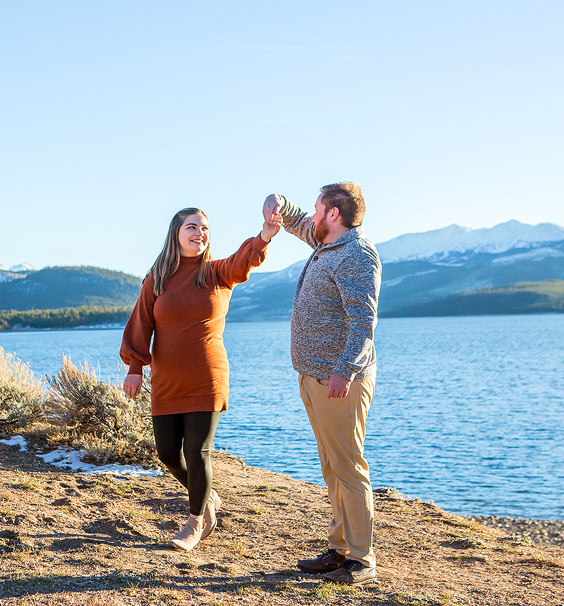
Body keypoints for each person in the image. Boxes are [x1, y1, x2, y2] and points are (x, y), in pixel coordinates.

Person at [120, 205, 282, 551]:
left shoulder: (215, 273)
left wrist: (265, 234)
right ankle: (206, 497)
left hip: (207, 378)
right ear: (176, 234)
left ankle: (195, 523)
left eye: (205, 228)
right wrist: (135, 368)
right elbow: (141, 323)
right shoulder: (157, 278)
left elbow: (243, 261)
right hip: (167, 381)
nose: (200, 233)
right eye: (192, 227)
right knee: (167, 453)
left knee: (197, 450)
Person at [263, 183, 381, 585]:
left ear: (334, 215)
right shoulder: (328, 243)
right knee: (332, 466)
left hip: (338, 381)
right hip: (314, 375)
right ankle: (340, 549)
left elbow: (363, 322)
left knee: (348, 466)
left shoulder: (356, 255)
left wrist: (345, 369)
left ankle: (362, 561)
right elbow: (297, 222)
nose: (311, 215)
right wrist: (279, 202)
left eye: (318, 209)